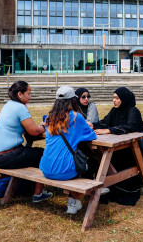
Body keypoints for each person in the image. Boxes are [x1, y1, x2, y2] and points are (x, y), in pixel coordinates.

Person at [0, 81, 52, 203]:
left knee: (32, 153)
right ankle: (38, 194)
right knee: (42, 154)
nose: (30, 96)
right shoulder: (19, 108)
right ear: (20, 94)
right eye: (29, 93)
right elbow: (33, 131)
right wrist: (43, 126)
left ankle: (28, 186)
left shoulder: (8, 105)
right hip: (6, 156)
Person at [39, 86, 97, 214]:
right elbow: (92, 135)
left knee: (72, 159)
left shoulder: (49, 119)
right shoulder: (76, 117)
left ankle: (73, 202)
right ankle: (75, 200)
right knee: (81, 161)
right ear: (73, 101)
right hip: (65, 170)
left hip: (46, 168)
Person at [88, 87, 143, 206]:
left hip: (131, 150)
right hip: (117, 148)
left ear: (124, 99)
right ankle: (98, 186)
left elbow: (131, 127)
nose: (114, 101)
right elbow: (105, 121)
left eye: (117, 98)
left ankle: (111, 185)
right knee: (95, 157)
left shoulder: (133, 111)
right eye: (113, 98)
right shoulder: (115, 111)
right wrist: (93, 125)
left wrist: (108, 130)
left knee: (106, 158)